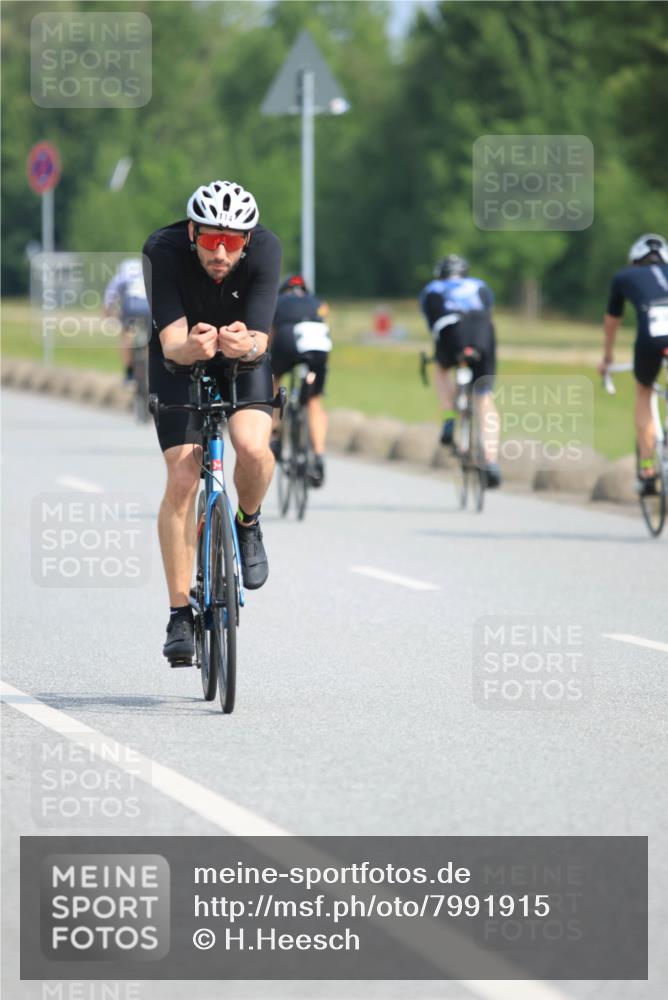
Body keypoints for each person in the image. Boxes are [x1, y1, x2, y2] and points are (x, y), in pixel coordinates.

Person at [142, 180, 281, 664]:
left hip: (242, 358)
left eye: (233, 241)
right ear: (192, 232)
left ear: (248, 240)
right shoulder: (162, 249)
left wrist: (249, 344)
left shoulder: (266, 249)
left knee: (254, 448)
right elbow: (171, 342)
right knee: (183, 474)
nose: (221, 252)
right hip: (180, 358)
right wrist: (190, 348)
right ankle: (180, 614)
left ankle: (248, 522)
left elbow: (261, 337)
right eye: (210, 239)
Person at [419, 253, 501, 487]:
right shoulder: (480, 285)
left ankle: (448, 417)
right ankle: (491, 461)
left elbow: (432, 325)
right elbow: (488, 312)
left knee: (441, 368)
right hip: (482, 331)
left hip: (451, 331)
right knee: (485, 399)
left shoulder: (432, 289)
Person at [599, 233, 668, 496]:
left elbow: (612, 321)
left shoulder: (624, 276)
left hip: (651, 337)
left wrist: (607, 357)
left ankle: (647, 470)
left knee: (644, 392)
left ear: (636, 260)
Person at [269, 274, 332, 487]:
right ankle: (319, 457)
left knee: (273, 380)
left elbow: (270, 336)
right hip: (318, 342)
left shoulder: (276, 301)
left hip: (287, 337)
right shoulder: (317, 302)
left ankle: (274, 435)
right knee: (314, 400)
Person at [103, 257, 150, 384]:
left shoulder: (121, 277)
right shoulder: (147, 275)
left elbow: (110, 297)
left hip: (131, 308)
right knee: (151, 338)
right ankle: (151, 366)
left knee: (126, 335)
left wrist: (108, 313)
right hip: (149, 308)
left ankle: (129, 372)